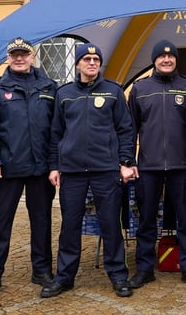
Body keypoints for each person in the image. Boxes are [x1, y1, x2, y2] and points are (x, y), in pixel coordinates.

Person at [41, 42, 136, 299]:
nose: (92, 63)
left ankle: (118, 276)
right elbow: (55, 134)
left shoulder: (114, 92)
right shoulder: (65, 94)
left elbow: (125, 130)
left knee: (110, 225)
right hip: (72, 172)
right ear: (78, 63)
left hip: (106, 169)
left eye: (96, 60)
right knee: (70, 226)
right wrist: (54, 166)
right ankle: (64, 277)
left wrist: (126, 162)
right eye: (87, 60)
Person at [0, 38, 57, 298]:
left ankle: (41, 270)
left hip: (40, 168)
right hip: (6, 169)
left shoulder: (49, 87)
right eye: (14, 55)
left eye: (24, 54)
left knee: (41, 221)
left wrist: (55, 164)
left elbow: (57, 129)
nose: (19, 58)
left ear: (33, 56)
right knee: (0, 223)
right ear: (7, 58)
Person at [127, 40, 186, 291]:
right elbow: (131, 129)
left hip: (183, 166)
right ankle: (145, 269)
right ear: (154, 60)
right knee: (147, 220)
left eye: (171, 57)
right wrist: (128, 160)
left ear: (176, 60)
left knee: (185, 219)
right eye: (161, 57)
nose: (166, 60)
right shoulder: (140, 89)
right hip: (148, 167)